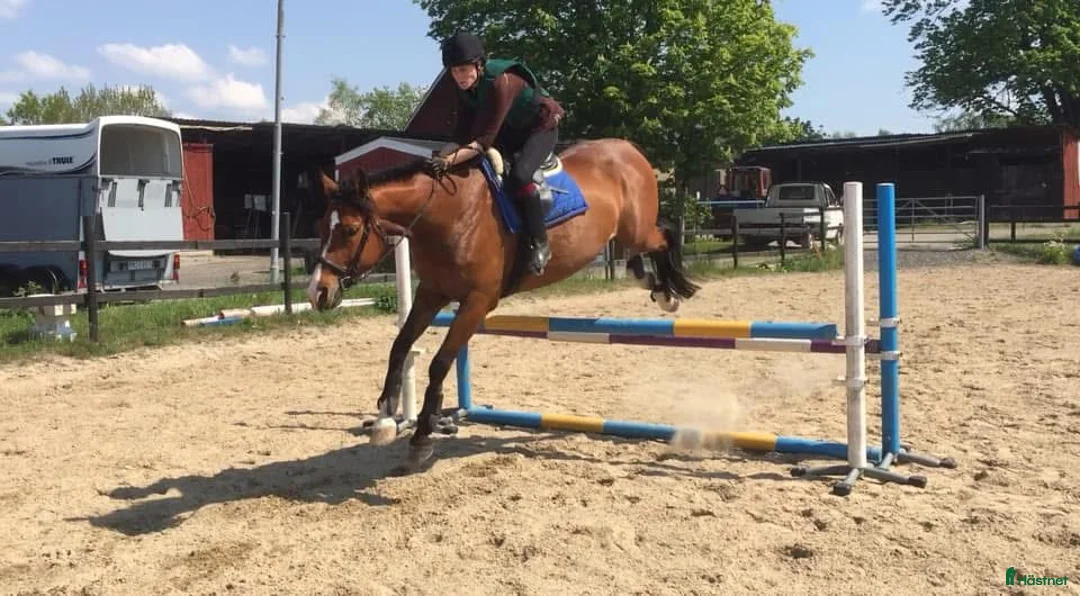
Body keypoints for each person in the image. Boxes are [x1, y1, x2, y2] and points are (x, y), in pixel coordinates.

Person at [426, 31, 565, 275]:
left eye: (464, 69)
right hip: (508, 131)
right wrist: (439, 156)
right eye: (454, 71)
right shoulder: (464, 87)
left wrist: (447, 162)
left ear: (479, 65)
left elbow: (482, 140)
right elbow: (461, 133)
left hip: (539, 127)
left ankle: (540, 243)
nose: (459, 76)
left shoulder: (502, 81)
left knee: (521, 175)